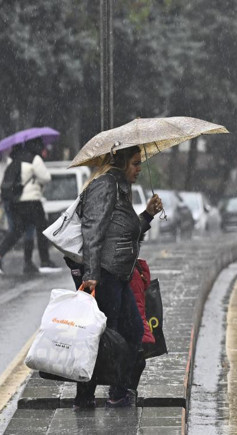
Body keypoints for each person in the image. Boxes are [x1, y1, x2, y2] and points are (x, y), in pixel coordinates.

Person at [68, 146, 163, 409]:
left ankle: (115, 392)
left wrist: (147, 215)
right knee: (100, 336)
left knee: (127, 333)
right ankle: (89, 397)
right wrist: (91, 274)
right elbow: (93, 230)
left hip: (119, 275)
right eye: (135, 163)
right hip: (105, 275)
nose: (139, 169)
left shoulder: (121, 188)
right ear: (121, 163)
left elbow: (123, 233)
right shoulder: (106, 185)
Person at [0, 139, 60, 275]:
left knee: (19, 230)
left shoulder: (14, 159)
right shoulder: (34, 159)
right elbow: (46, 177)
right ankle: (44, 261)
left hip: (15, 201)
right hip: (32, 200)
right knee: (42, 228)